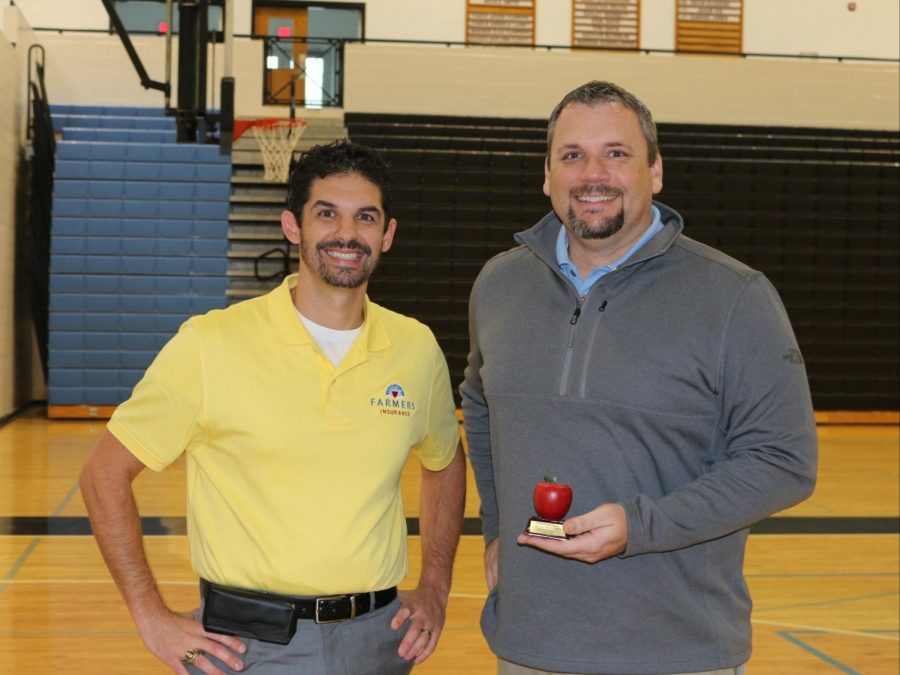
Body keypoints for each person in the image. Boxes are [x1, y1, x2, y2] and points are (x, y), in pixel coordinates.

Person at [460, 81, 817, 675]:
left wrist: (640, 527)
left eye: (616, 153)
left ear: (655, 170)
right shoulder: (499, 284)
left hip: (677, 652)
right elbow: (479, 404)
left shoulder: (735, 297)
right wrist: (495, 528)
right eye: (571, 155)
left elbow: (784, 461)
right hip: (527, 647)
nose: (592, 173)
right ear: (547, 175)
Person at [81, 140, 466, 675]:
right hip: (245, 646)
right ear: (293, 226)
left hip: (378, 641)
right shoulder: (210, 344)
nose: (347, 234)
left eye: (366, 218)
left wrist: (436, 585)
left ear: (388, 234)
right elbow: (103, 475)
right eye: (326, 214)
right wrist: (149, 614)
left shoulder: (415, 348)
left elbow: (444, 462)